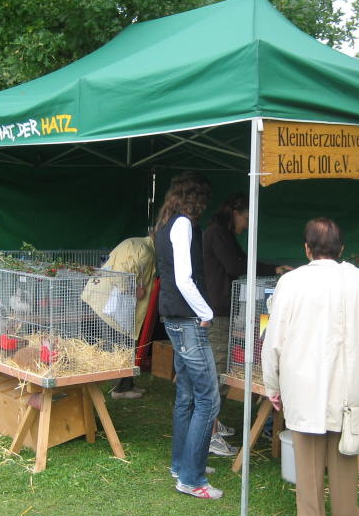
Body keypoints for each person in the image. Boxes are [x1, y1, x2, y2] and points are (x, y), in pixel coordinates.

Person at [261, 217, 359, 516]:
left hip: (302, 384)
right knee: (346, 454)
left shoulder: (291, 283)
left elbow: (273, 339)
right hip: (352, 384)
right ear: (342, 249)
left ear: (306, 249)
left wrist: (272, 386)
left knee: (307, 458)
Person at [203, 194, 291, 456]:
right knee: (216, 371)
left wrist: (273, 269)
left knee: (219, 368)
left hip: (221, 310)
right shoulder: (217, 233)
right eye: (246, 217)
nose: (247, 224)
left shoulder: (222, 234)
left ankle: (213, 424)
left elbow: (240, 263)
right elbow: (236, 265)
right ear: (235, 212)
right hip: (216, 311)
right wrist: (272, 270)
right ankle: (208, 434)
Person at [155, 171, 224, 499]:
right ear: (197, 199)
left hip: (174, 316)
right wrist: (206, 312)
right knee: (208, 398)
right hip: (187, 320)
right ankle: (192, 478)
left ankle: (182, 463)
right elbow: (184, 278)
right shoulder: (182, 224)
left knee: (186, 396)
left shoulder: (167, 224)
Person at [82, 235, 156, 399]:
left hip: (103, 297)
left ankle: (127, 384)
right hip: (112, 303)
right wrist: (133, 290)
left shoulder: (137, 243)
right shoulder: (146, 251)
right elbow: (120, 273)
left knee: (125, 344)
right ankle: (120, 389)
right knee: (124, 345)